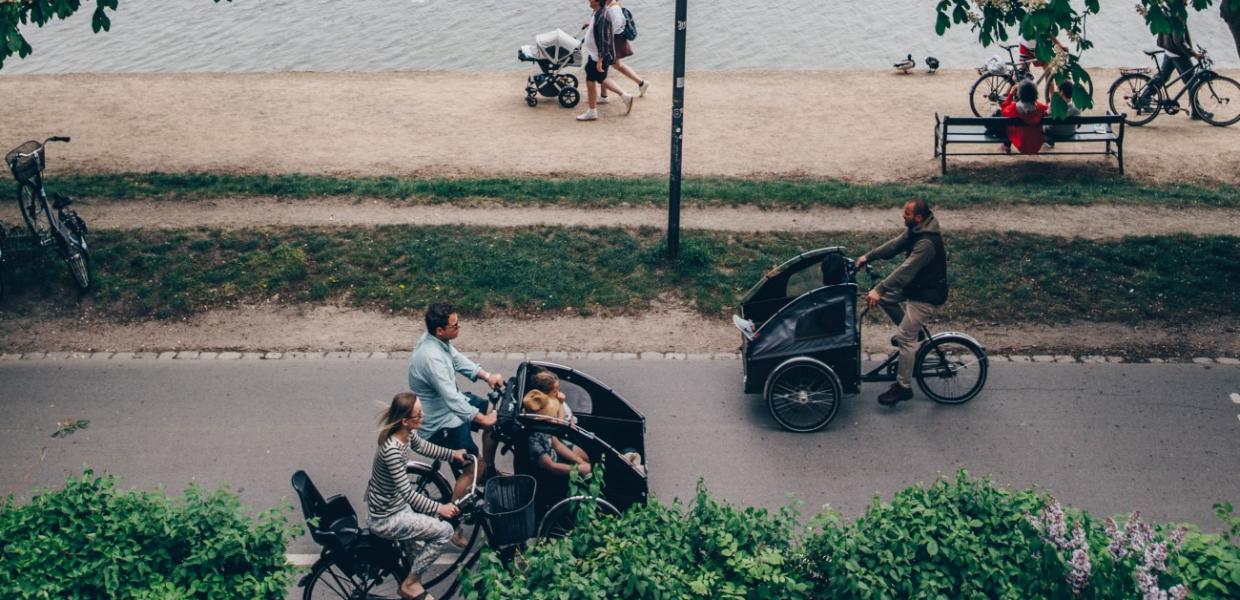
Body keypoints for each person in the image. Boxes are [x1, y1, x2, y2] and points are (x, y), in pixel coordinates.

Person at [366, 392, 467, 600]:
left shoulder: (406, 433)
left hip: (396, 505)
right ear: (405, 420)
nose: (423, 417)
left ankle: (411, 582)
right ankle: (410, 585)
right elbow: (408, 494)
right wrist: (441, 508)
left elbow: (423, 446)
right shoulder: (393, 449)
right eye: (418, 415)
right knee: (444, 531)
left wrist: (453, 454)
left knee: (418, 550)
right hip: (387, 517)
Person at [407, 303, 503, 521]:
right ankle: (451, 522)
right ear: (440, 330)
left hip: (450, 406)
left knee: (494, 415)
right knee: (473, 467)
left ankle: (488, 470)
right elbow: (452, 398)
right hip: (442, 422)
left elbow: (457, 359)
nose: (458, 327)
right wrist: (482, 420)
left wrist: (487, 376)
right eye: (454, 325)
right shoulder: (431, 358)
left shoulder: (439, 341)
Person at [854, 199, 948, 407]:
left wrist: (879, 288)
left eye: (906, 214)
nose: (902, 216)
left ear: (918, 217)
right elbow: (894, 246)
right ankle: (918, 335)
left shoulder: (926, 243)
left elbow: (906, 270)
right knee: (886, 300)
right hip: (916, 287)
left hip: (926, 295)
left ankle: (903, 387)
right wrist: (868, 257)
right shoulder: (916, 229)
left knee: (905, 338)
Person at [1140, 9, 1209, 119]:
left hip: (1169, 50)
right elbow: (1179, 40)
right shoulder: (1179, 12)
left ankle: (1144, 98)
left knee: (1162, 77)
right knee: (1191, 82)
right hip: (1178, 53)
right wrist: (1194, 54)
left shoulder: (1168, 8)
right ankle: (1197, 112)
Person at [522, 369, 592, 477]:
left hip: (557, 451)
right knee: (586, 468)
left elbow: (557, 444)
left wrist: (579, 461)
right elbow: (551, 466)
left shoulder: (546, 426)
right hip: (551, 469)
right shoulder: (533, 440)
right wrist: (578, 469)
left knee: (587, 458)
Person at [577, 0, 634, 121]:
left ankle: (593, 111)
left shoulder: (603, 16)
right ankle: (622, 97)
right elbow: (598, 31)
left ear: (598, 1)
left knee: (593, 80)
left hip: (598, 56)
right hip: (595, 54)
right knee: (597, 78)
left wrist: (600, 60)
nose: (588, 0)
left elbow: (604, 40)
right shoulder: (597, 12)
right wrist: (590, 25)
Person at [598, 0, 649, 105]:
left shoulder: (614, 7)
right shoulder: (610, 6)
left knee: (604, 66)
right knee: (616, 65)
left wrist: (604, 35)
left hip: (613, 39)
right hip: (614, 39)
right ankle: (641, 83)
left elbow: (616, 25)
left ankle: (605, 96)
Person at [999, 79, 1048, 155]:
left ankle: (1006, 146)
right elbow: (1047, 109)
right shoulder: (1040, 107)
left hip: (1021, 144)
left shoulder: (1014, 107)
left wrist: (1011, 94)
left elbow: (1003, 109)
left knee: (1008, 124)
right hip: (1036, 144)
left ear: (1020, 94)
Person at [1043, 80, 1082, 145]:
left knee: (1044, 126)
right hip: (1070, 132)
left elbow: (1047, 116)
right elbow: (1079, 125)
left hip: (1054, 132)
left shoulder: (1053, 105)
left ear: (1061, 92)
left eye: (1058, 90)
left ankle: (1050, 141)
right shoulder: (1076, 109)